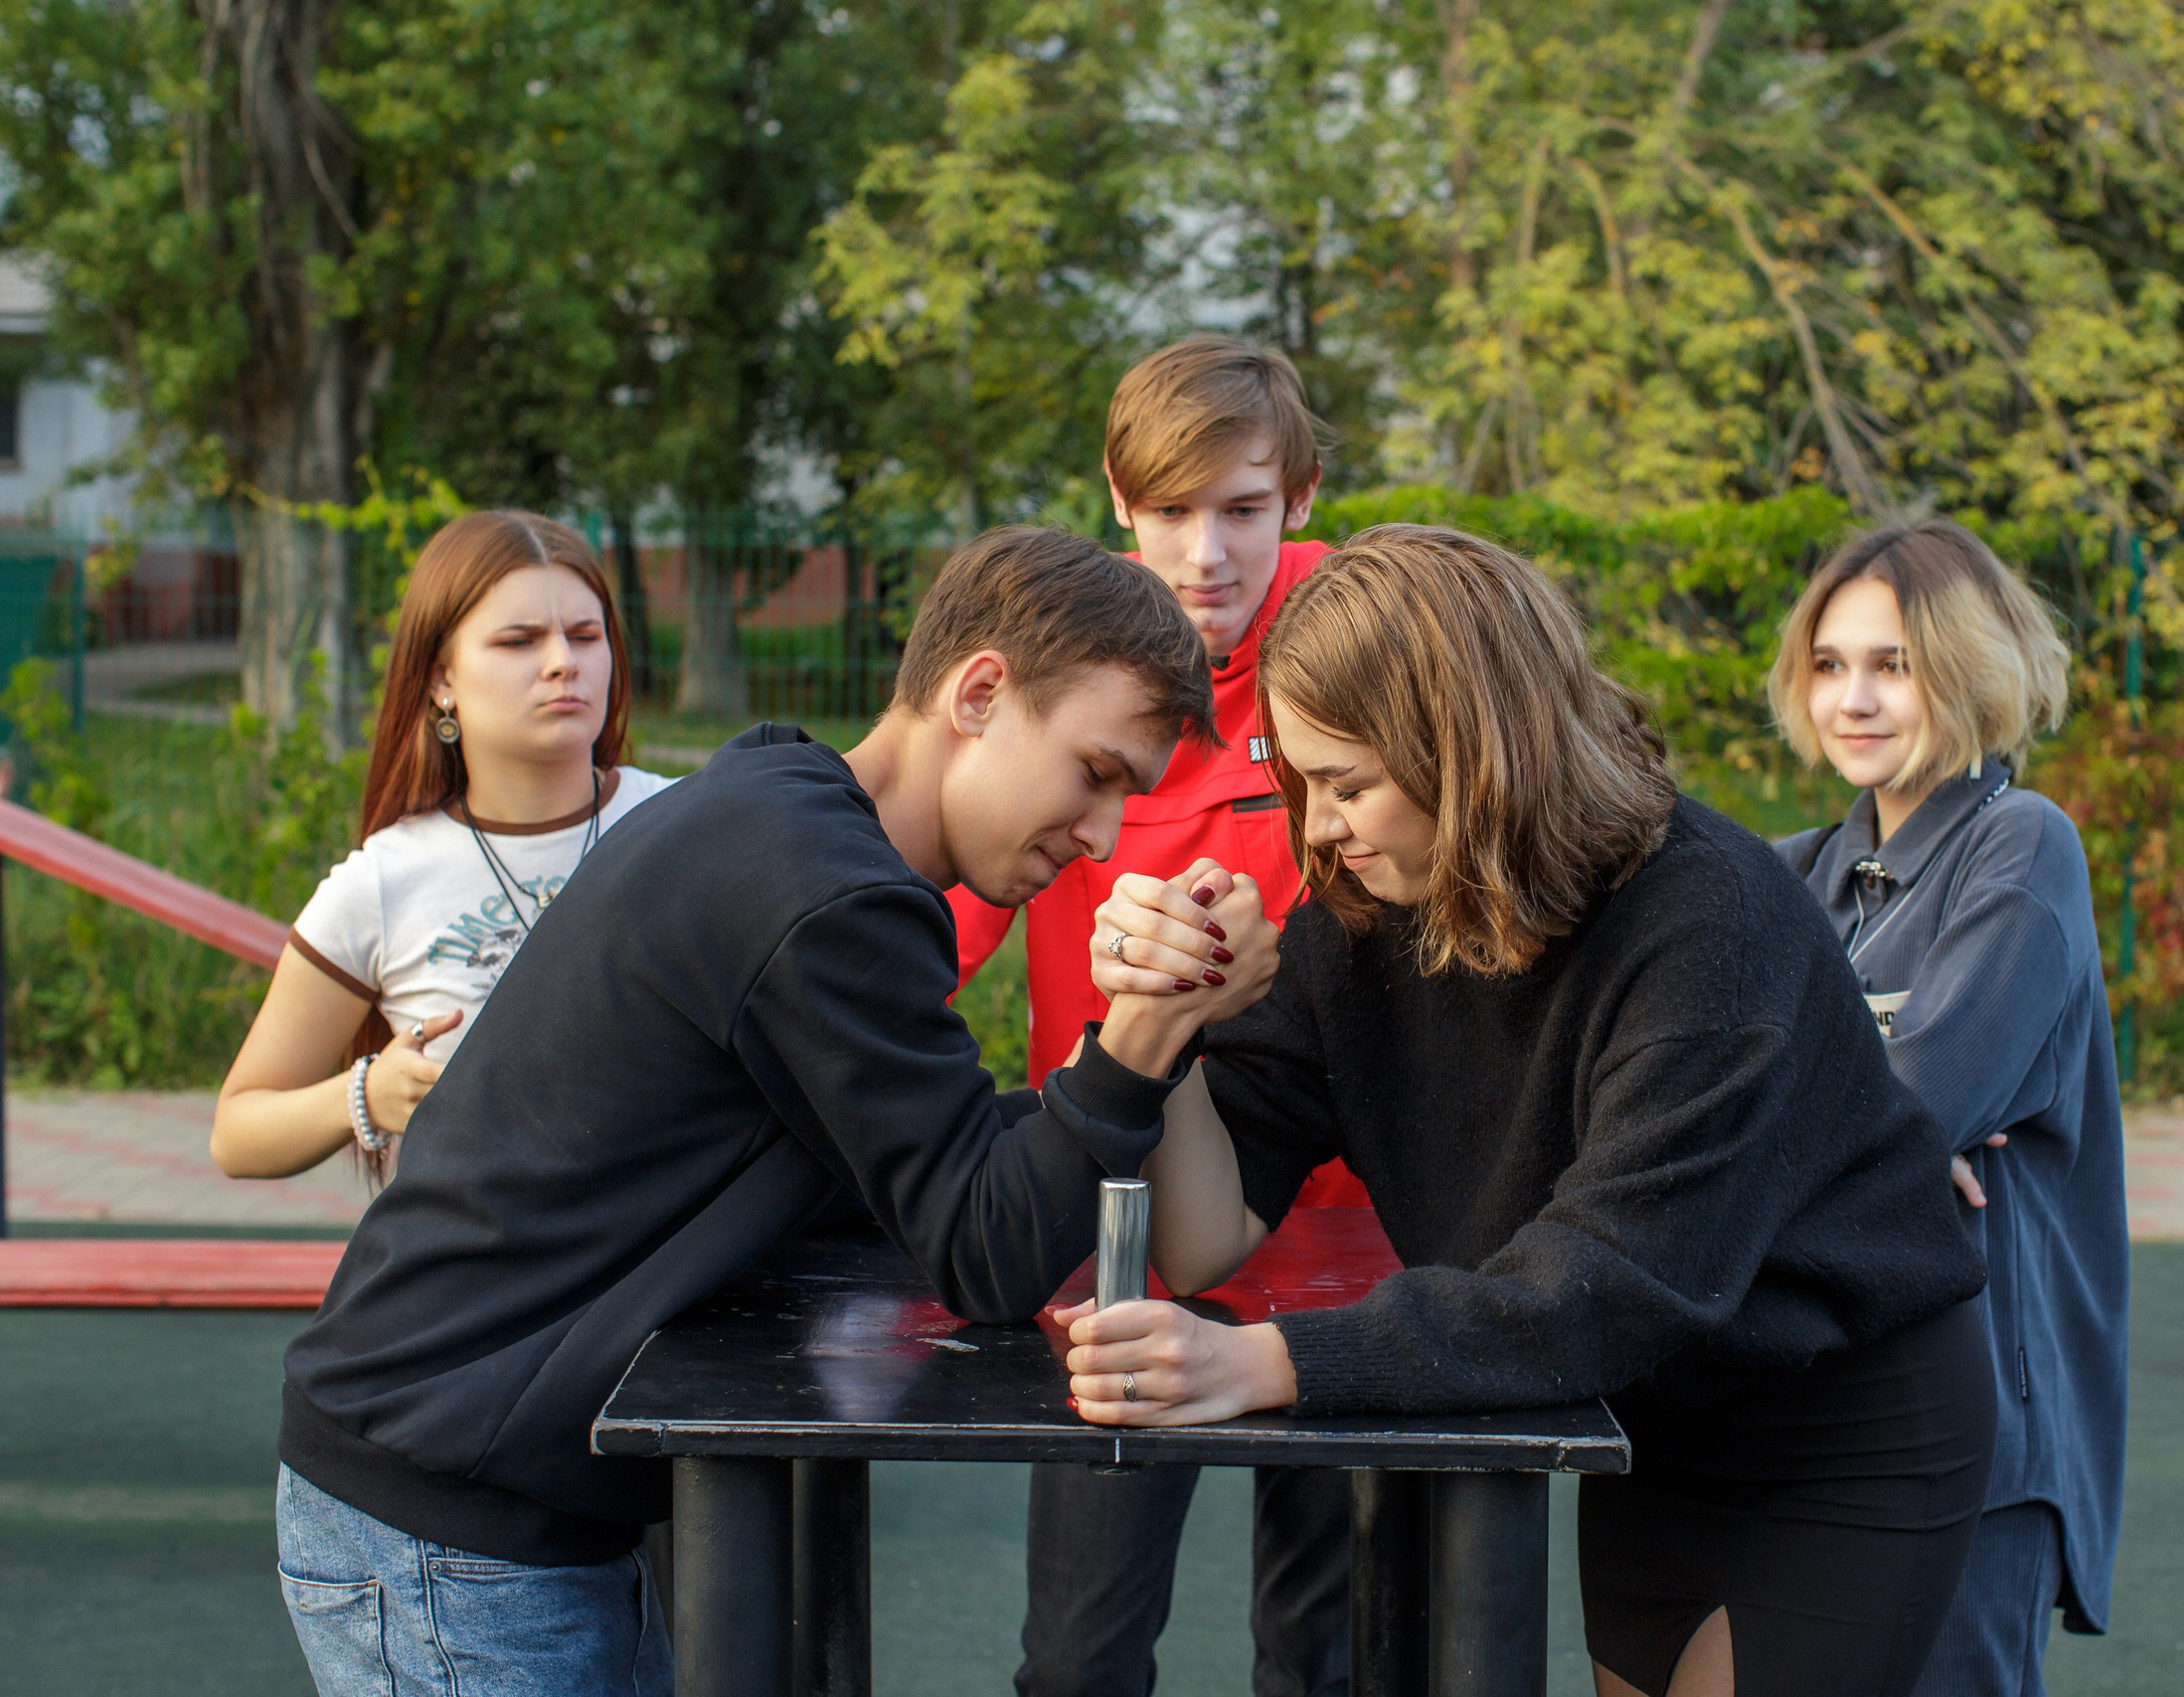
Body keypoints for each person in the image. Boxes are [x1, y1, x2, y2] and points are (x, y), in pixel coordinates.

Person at [271, 526, 1279, 1697]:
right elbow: (988, 1252)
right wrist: (1145, 1034)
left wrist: (1115, 1080)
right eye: (1094, 773)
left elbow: (920, 1158)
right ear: (981, 692)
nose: (1102, 836)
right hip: (450, 1524)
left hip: (483, 1496)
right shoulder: (828, 897)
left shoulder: (780, 800)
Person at [1065, 525, 1998, 1697]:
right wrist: (1170, 1021)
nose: (1318, 831)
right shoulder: (1360, 913)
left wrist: (1266, 1362)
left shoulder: (1708, 922)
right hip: (1653, 1416)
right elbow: (1207, 1235)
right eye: (1303, 784)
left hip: (1844, 1421)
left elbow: (1601, 1280)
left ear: (1469, 753)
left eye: (1349, 786)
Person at [947, 336, 1357, 1697]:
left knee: (1330, 1650)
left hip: (1346, 1222)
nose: (1206, 553)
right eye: (1170, 510)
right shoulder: (1065, 654)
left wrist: (1275, 958)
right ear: (1119, 501)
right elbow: (943, 906)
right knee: (1076, 1658)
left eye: (1241, 507)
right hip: (1119, 1223)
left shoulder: (1361, 641)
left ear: (1297, 496)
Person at [1764, 521, 2127, 1697]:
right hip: (1819, 1413)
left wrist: (1851, 1116)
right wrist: (1852, 1118)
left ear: (1965, 668)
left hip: (1977, 1432)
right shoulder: (1796, 875)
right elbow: (1670, 1090)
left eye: (1893, 665)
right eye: (1829, 665)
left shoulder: (2021, 846)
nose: (1852, 699)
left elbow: (1924, 1102)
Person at [211, 511, 676, 1183]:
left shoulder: (692, 820)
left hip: (681, 1274)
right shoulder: (384, 881)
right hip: (485, 1280)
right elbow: (237, 1132)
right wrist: (366, 1094)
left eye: (584, 635)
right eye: (519, 641)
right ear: (440, 680)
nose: (563, 663)